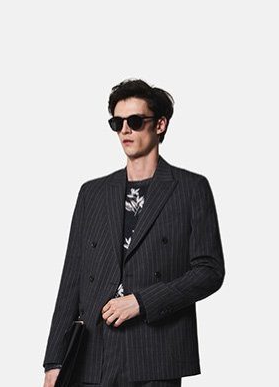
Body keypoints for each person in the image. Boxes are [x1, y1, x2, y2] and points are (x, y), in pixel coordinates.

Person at [42, 78, 225, 387]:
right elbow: (72, 279)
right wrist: (55, 360)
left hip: (156, 352)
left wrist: (142, 301)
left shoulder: (191, 188)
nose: (125, 130)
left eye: (135, 121)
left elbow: (209, 271)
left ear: (160, 125)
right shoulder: (92, 193)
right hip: (92, 354)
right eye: (118, 123)